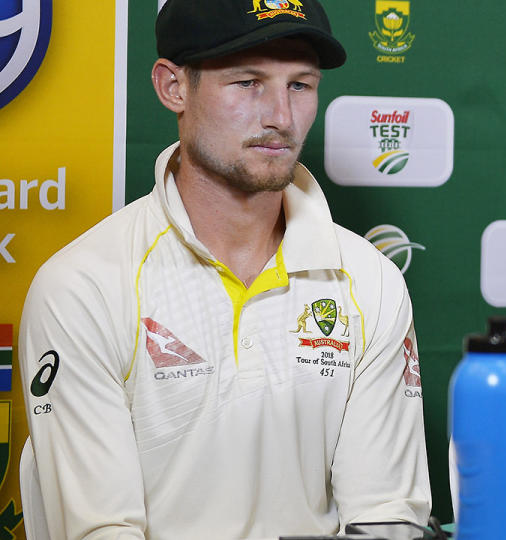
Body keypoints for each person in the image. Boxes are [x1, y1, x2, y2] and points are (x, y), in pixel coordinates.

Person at [18, 0, 431, 537]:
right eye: (248, 82)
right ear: (173, 88)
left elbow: (384, 520)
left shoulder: (371, 281)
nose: (281, 116)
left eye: (300, 86)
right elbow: (101, 531)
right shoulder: (82, 287)